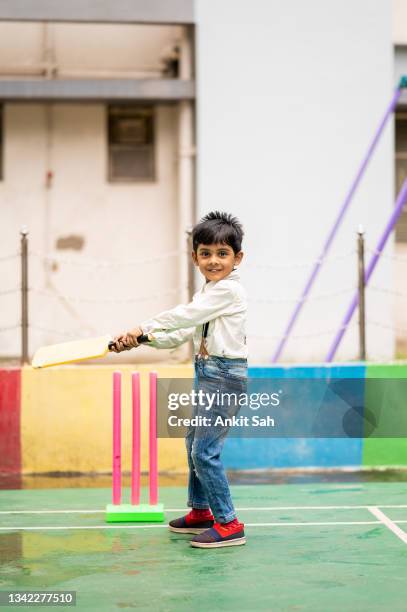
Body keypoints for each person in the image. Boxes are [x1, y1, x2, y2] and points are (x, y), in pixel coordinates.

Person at [112, 211, 248, 548]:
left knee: (205, 452)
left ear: (237, 257)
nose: (213, 261)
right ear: (195, 257)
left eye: (222, 253)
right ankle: (201, 512)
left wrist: (142, 327)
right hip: (207, 373)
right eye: (206, 253)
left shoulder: (227, 292)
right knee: (192, 444)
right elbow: (182, 333)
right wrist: (142, 340)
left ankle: (229, 524)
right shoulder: (209, 293)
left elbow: (182, 316)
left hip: (225, 377)